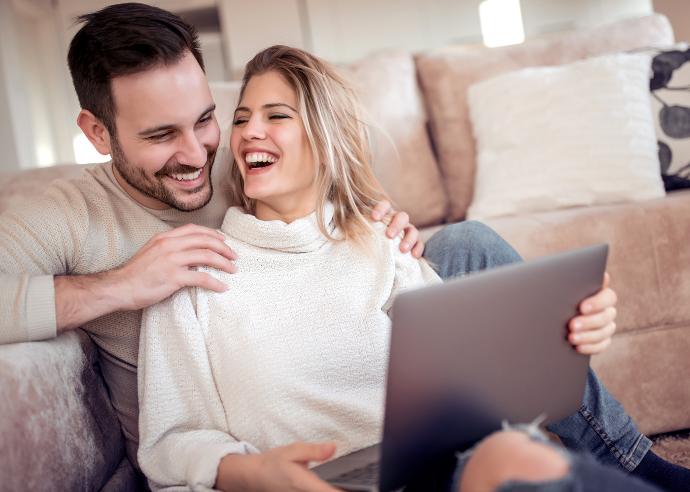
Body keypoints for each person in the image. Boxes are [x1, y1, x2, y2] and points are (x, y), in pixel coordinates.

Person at [0, 3, 684, 490]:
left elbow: (480, 394)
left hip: (430, 452)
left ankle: (628, 462)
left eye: (212, 119)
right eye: (160, 137)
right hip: (295, 458)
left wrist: (562, 336)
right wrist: (121, 286)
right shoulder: (87, 227)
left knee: (511, 435)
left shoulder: (370, 242)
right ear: (97, 132)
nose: (203, 151)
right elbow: (174, 441)